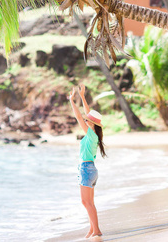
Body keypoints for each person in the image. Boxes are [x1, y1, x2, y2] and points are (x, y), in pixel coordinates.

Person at [68, 84, 107, 239]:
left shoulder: (90, 135)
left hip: (86, 169)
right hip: (90, 170)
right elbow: (86, 113)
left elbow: (79, 116)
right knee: (89, 202)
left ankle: (96, 230)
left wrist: (72, 100)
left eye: (88, 120)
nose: (85, 120)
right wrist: (82, 96)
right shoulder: (94, 136)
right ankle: (92, 230)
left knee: (86, 202)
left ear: (92, 124)